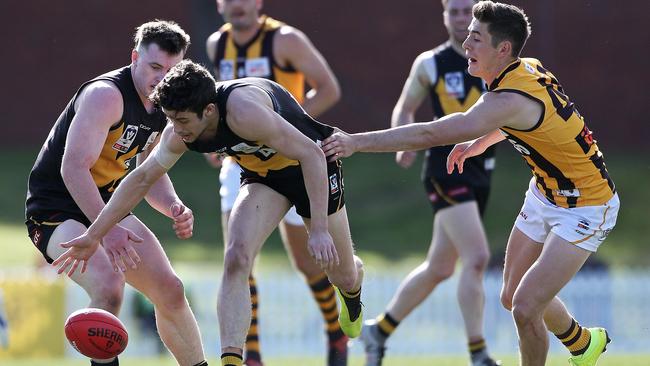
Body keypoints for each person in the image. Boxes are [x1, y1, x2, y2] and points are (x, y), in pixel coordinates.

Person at [322, 2, 619, 366]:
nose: (466, 44)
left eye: (476, 38)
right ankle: (582, 343)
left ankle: (554, 348)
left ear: (503, 49)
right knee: (510, 296)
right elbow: (526, 120)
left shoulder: (508, 97)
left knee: (525, 307)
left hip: (588, 205)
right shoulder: (526, 68)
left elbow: (434, 131)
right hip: (545, 193)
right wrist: (480, 142)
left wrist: (356, 142)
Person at [52, 60, 365, 366]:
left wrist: (320, 229)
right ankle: (231, 359)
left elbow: (311, 154)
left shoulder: (243, 111)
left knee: (342, 274)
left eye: (183, 121)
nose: (176, 130)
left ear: (210, 112)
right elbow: (142, 178)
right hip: (263, 178)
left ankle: (352, 291)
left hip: (310, 167)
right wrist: (94, 235)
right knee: (236, 258)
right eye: (171, 120)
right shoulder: (181, 130)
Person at [24, 21, 208, 366]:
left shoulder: (161, 102)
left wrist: (173, 206)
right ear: (135, 57)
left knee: (171, 290)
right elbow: (73, 169)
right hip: (56, 210)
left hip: (108, 206)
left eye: (170, 70)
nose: (161, 78)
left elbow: (147, 171)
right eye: (154, 67)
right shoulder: (106, 96)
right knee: (108, 286)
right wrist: (105, 231)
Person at [358, 1, 499, 365]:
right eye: (452, 11)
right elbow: (405, 108)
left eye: (466, 11)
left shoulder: (498, 60)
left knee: (439, 267)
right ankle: (478, 353)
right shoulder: (430, 63)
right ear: (444, 16)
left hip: (482, 169)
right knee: (478, 257)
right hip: (444, 170)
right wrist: (401, 142)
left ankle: (379, 331)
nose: (459, 18)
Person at [204, 1, 345, 364]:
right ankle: (249, 354)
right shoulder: (216, 44)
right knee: (238, 258)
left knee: (307, 262)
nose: (236, 5)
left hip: (294, 161)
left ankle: (335, 331)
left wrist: (291, 127)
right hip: (240, 164)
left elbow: (329, 88)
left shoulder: (285, 40)